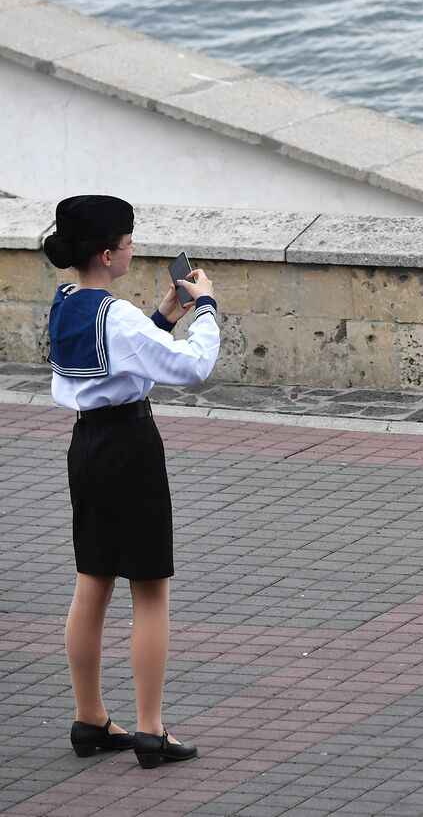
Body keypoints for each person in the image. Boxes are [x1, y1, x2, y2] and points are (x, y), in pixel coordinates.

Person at [44, 195, 220, 766]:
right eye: (126, 242)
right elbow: (190, 368)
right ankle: (150, 730)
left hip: (86, 445)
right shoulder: (115, 315)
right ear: (106, 252)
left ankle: (90, 718)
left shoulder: (67, 302)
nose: (132, 248)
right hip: (130, 448)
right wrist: (208, 309)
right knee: (149, 588)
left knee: (92, 578)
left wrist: (165, 316)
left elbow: (120, 359)